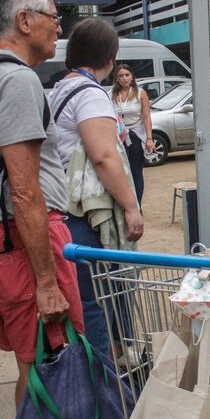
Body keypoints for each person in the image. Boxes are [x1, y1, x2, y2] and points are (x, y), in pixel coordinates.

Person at [0, 0, 84, 408]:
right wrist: (48, 284)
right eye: (54, 15)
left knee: (37, 366)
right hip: (22, 240)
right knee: (50, 367)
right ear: (24, 20)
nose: (59, 26)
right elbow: (25, 191)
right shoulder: (15, 80)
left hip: (1, 240)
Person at [49, 18, 144, 356]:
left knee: (89, 298)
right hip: (86, 216)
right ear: (108, 57)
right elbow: (103, 156)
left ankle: (108, 370)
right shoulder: (90, 95)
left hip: (63, 212)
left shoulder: (60, 89)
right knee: (97, 301)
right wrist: (131, 206)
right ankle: (105, 387)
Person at [111, 64, 155, 204]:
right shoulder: (111, 93)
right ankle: (125, 204)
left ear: (132, 76)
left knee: (136, 171)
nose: (124, 78)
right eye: (121, 76)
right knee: (121, 172)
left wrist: (149, 139)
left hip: (136, 134)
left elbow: (146, 116)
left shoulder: (140, 93)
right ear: (117, 78)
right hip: (118, 136)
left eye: (127, 75)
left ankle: (138, 205)